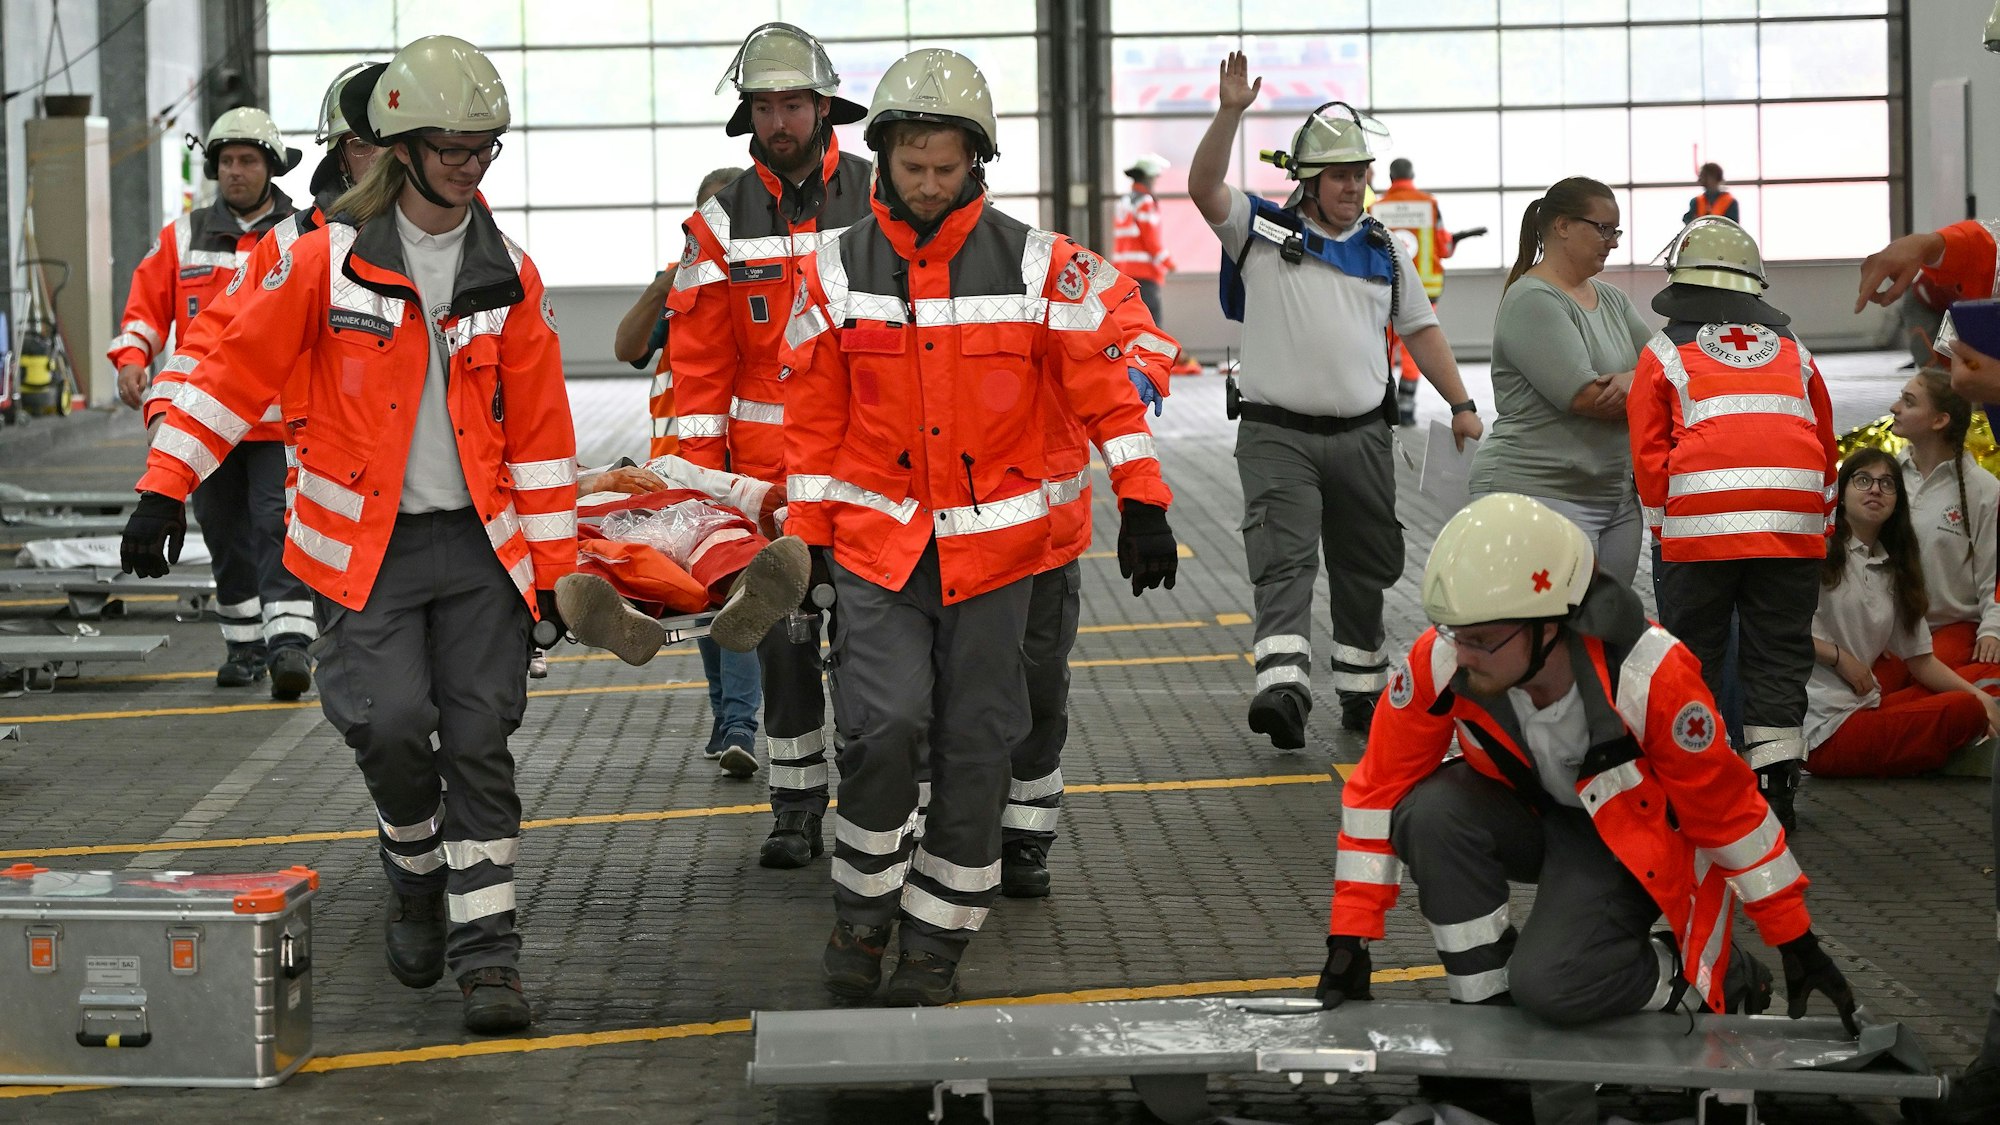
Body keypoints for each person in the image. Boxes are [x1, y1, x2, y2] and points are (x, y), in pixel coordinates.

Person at [120, 35, 572, 1035]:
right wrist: (164, 486)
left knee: (482, 739)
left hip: (481, 552)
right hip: (362, 554)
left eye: (482, 147)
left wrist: (555, 576)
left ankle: (488, 955)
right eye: (449, 145)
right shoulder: (321, 263)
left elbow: (541, 440)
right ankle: (413, 868)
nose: (466, 163)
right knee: (386, 724)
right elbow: (229, 375)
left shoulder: (511, 275)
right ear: (401, 146)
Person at [781, 46, 1178, 1006]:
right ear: (882, 156)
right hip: (881, 552)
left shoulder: (1040, 267)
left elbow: (1106, 397)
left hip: (1001, 560)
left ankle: (935, 940)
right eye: (910, 165)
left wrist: (1147, 500)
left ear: (977, 166)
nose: (925, 185)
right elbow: (811, 422)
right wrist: (811, 540)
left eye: (944, 168)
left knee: (977, 745)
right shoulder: (831, 271)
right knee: (881, 729)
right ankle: (862, 914)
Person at [1316, 493, 1859, 1042]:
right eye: (1456, 634)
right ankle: (1484, 1011)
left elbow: (1729, 812)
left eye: (1479, 640)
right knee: (1429, 812)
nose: (1460, 655)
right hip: (1535, 815)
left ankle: (1703, 978)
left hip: (1628, 840)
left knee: (1552, 986)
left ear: (1549, 626)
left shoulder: (1652, 679)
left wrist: (1795, 938)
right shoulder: (1443, 660)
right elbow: (1377, 792)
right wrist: (1349, 937)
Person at [1190, 51, 1481, 748]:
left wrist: (1463, 402)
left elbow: (1423, 329)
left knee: (1363, 565)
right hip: (1276, 434)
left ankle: (1361, 689)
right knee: (1284, 559)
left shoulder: (1385, 249)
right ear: (1309, 182)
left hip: (1362, 437)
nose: (1354, 186)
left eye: (1360, 174)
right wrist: (1230, 112)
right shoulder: (1260, 231)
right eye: (1340, 175)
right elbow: (1204, 188)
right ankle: (1283, 688)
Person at [671, 22, 874, 862]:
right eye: (765, 106)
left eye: (794, 103)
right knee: (785, 645)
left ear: (826, 107)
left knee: (873, 645)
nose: (780, 119)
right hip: (765, 484)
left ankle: (876, 803)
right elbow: (698, 363)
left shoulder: (880, 195)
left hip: (867, 471)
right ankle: (794, 805)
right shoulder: (718, 222)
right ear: (747, 115)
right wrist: (698, 485)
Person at [1629, 216, 1837, 832]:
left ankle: (1698, 785)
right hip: (1792, 531)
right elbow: (1824, 444)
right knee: (1779, 654)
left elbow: (1648, 456)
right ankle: (1775, 788)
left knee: (1693, 656)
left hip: (1700, 536)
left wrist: (1666, 532)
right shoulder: (1797, 354)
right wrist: (1815, 525)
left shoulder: (1663, 353)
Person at [110, 107, 310, 697]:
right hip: (203, 421)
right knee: (224, 533)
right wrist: (132, 359)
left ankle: (290, 646)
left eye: (248, 160)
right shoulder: (181, 237)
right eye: (226, 161)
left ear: (270, 167)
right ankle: (244, 647)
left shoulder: (301, 235)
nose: (236, 172)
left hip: (278, 420)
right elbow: (146, 308)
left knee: (279, 525)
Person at [612, 165, 759, 775]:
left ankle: (741, 725)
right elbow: (626, 348)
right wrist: (668, 283)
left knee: (737, 596)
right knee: (701, 601)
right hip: (676, 476)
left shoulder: (758, 288)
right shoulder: (679, 292)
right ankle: (727, 717)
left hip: (735, 473)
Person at [1903, 285, 2000, 1124]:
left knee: (1963, 698)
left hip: (1961, 642)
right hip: (1912, 644)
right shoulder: (1885, 477)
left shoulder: (1981, 489)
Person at [1472, 177, 1651, 586]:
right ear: (1563, 226)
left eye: (1615, 231)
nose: (1613, 242)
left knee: (1603, 636)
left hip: (1614, 496)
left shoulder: (1612, 299)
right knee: (1548, 637)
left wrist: (1631, 379)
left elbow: (1669, 369)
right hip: (1541, 494)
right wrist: (1645, 382)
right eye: (1602, 229)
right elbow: (1591, 398)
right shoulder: (1534, 300)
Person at [1802, 448, 2000, 778]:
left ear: (1897, 501)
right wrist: (1839, 657)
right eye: (1863, 480)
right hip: (1822, 730)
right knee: (1963, 710)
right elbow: (1774, 632)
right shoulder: (1817, 550)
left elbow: (1921, 661)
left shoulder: (1892, 568)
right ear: (1842, 492)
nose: (1876, 489)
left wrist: (1983, 699)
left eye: (1887, 483)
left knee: (1969, 695)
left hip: (1865, 706)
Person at [1889, 368, 2000, 682]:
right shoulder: (1890, 476)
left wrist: (1992, 630)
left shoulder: (1983, 489)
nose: (1894, 408)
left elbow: (1995, 574)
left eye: (1908, 402)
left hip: (1951, 628)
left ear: (1939, 420)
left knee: (1919, 692)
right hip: (1891, 628)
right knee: (1862, 693)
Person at [1370, 157, 1455, 426]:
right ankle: (1405, 409)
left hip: (1384, 290)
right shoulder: (1429, 206)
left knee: (1384, 348)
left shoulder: (1376, 208)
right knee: (1413, 351)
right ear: (1412, 175)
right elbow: (1445, 249)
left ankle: (1382, 407)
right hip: (1424, 292)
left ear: (1391, 177)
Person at [1112, 153, 1174, 324]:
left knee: (1132, 323)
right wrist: (1169, 263)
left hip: (1124, 273)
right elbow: (1151, 241)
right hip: (1144, 274)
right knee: (1152, 326)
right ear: (1149, 178)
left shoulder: (1124, 202)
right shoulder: (1145, 202)